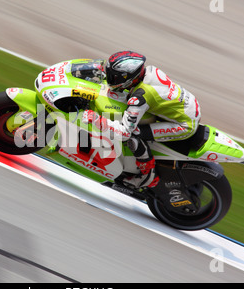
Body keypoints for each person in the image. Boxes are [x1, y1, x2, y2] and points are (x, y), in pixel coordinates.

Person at [82, 51, 201, 189]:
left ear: (129, 78)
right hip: (190, 105)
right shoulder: (150, 71)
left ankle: (147, 176)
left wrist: (98, 120)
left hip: (184, 125)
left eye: (114, 77)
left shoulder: (140, 98)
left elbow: (125, 132)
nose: (111, 79)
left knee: (134, 135)